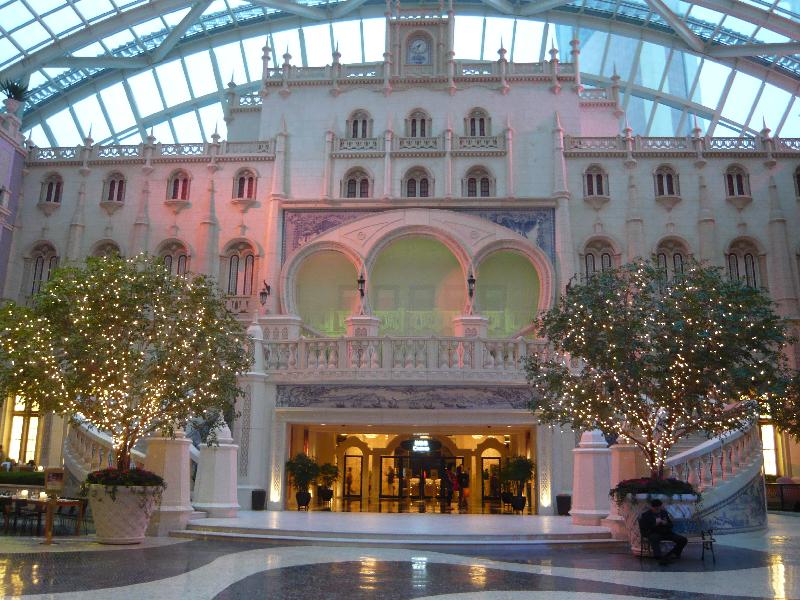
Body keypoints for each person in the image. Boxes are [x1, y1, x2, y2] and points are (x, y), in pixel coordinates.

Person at [639, 499, 687, 565]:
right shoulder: (646, 515)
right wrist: (655, 524)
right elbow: (644, 528)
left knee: (683, 540)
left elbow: (671, 525)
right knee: (654, 538)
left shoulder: (664, 513)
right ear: (652, 507)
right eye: (656, 509)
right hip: (653, 532)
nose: (657, 510)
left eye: (659, 508)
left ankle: (671, 554)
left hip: (665, 532)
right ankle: (659, 557)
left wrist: (666, 523)